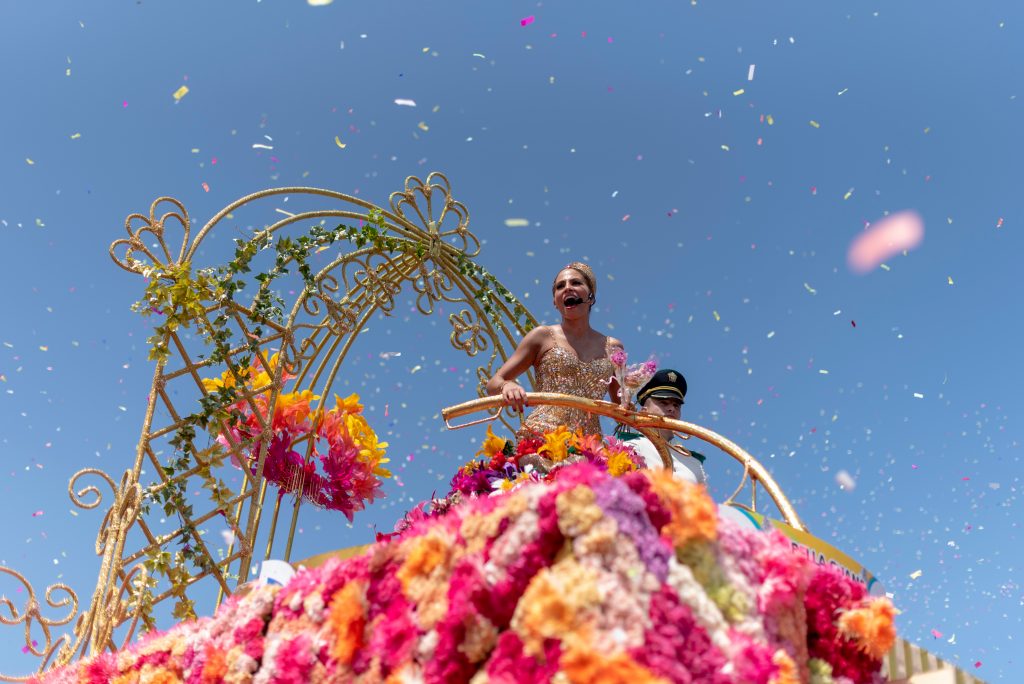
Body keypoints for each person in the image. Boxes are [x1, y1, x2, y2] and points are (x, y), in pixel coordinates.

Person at [486, 262, 624, 437]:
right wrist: (508, 385)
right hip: (541, 440)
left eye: (576, 283)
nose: (567, 288)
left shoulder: (613, 347)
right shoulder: (542, 336)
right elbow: (493, 384)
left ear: (591, 295)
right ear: (555, 302)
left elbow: (622, 409)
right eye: (560, 286)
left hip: (589, 446)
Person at [615, 368, 707, 484]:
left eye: (676, 405)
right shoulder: (630, 447)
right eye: (663, 403)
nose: (671, 408)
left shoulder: (694, 462)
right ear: (644, 411)